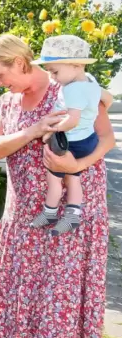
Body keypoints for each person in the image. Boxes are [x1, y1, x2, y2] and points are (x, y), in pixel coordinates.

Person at [0, 35, 113, 338]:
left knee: (58, 283)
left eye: (0, 75)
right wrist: (33, 130)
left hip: (69, 206)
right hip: (23, 209)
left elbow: (107, 139)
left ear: (21, 63)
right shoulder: (8, 102)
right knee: (19, 277)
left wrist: (76, 162)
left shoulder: (68, 87)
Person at [29, 35, 113, 235]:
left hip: (72, 140)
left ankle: (50, 211)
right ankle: (72, 214)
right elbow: (107, 99)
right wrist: (91, 114)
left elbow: (73, 120)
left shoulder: (72, 89)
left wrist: (51, 132)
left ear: (75, 65)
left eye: (55, 71)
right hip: (87, 139)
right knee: (73, 178)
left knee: (54, 178)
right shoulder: (91, 83)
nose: (52, 77)